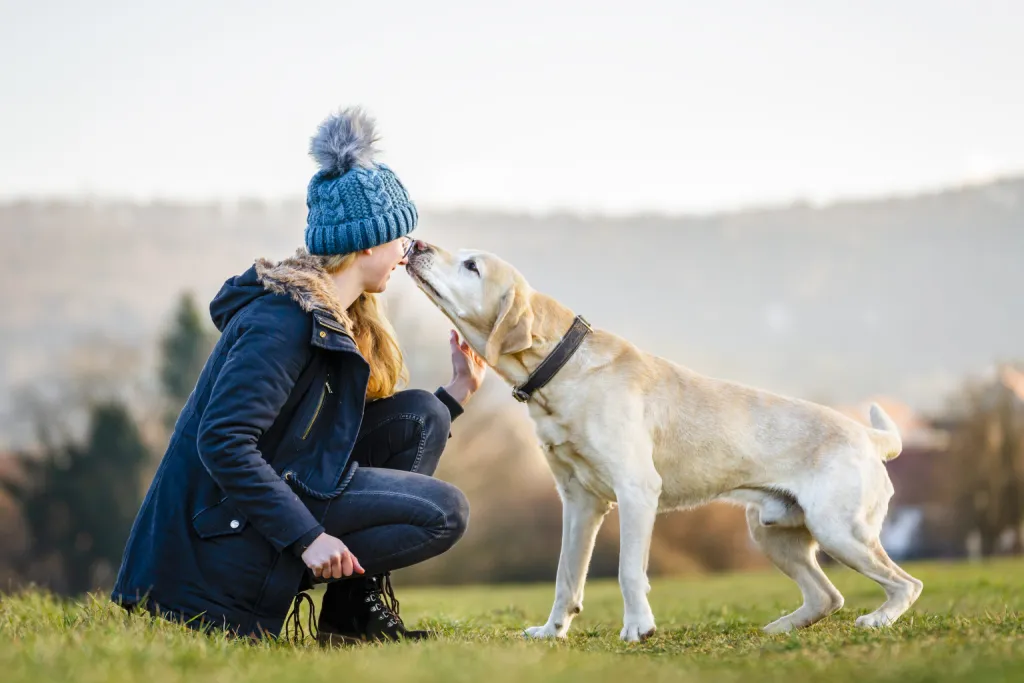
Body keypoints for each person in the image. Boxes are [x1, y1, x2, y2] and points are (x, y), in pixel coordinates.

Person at [112, 107, 484, 644]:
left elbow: (329, 440)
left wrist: (455, 394)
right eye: (400, 237)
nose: (408, 250)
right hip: (225, 537)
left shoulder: (333, 313)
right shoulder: (282, 323)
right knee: (444, 513)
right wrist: (308, 538)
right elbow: (224, 442)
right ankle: (302, 579)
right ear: (365, 245)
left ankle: (350, 616)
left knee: (423, 414)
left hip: (289, 480)